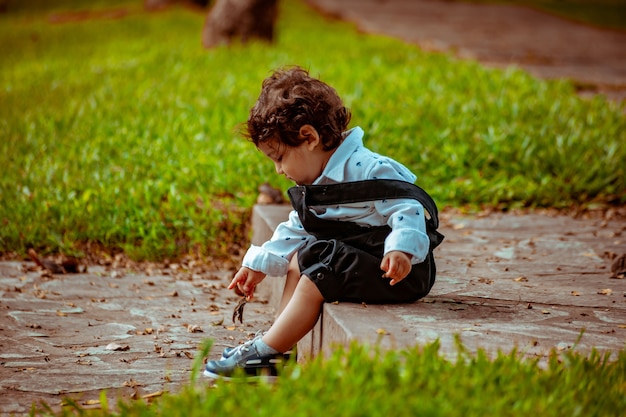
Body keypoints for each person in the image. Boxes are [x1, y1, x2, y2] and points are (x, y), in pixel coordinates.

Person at [204, 66, 443, 380]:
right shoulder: (319, 178)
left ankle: (265, 350)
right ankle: (282, 344)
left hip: (399, 273)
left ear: (309, 138)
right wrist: (259, 264)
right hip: (360, 261)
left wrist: (401, 250)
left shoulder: (369, 169)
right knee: (304, 257)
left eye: (279, 158)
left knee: (321, 271)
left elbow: (407, 208)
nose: (278, 170)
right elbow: (298, 226)